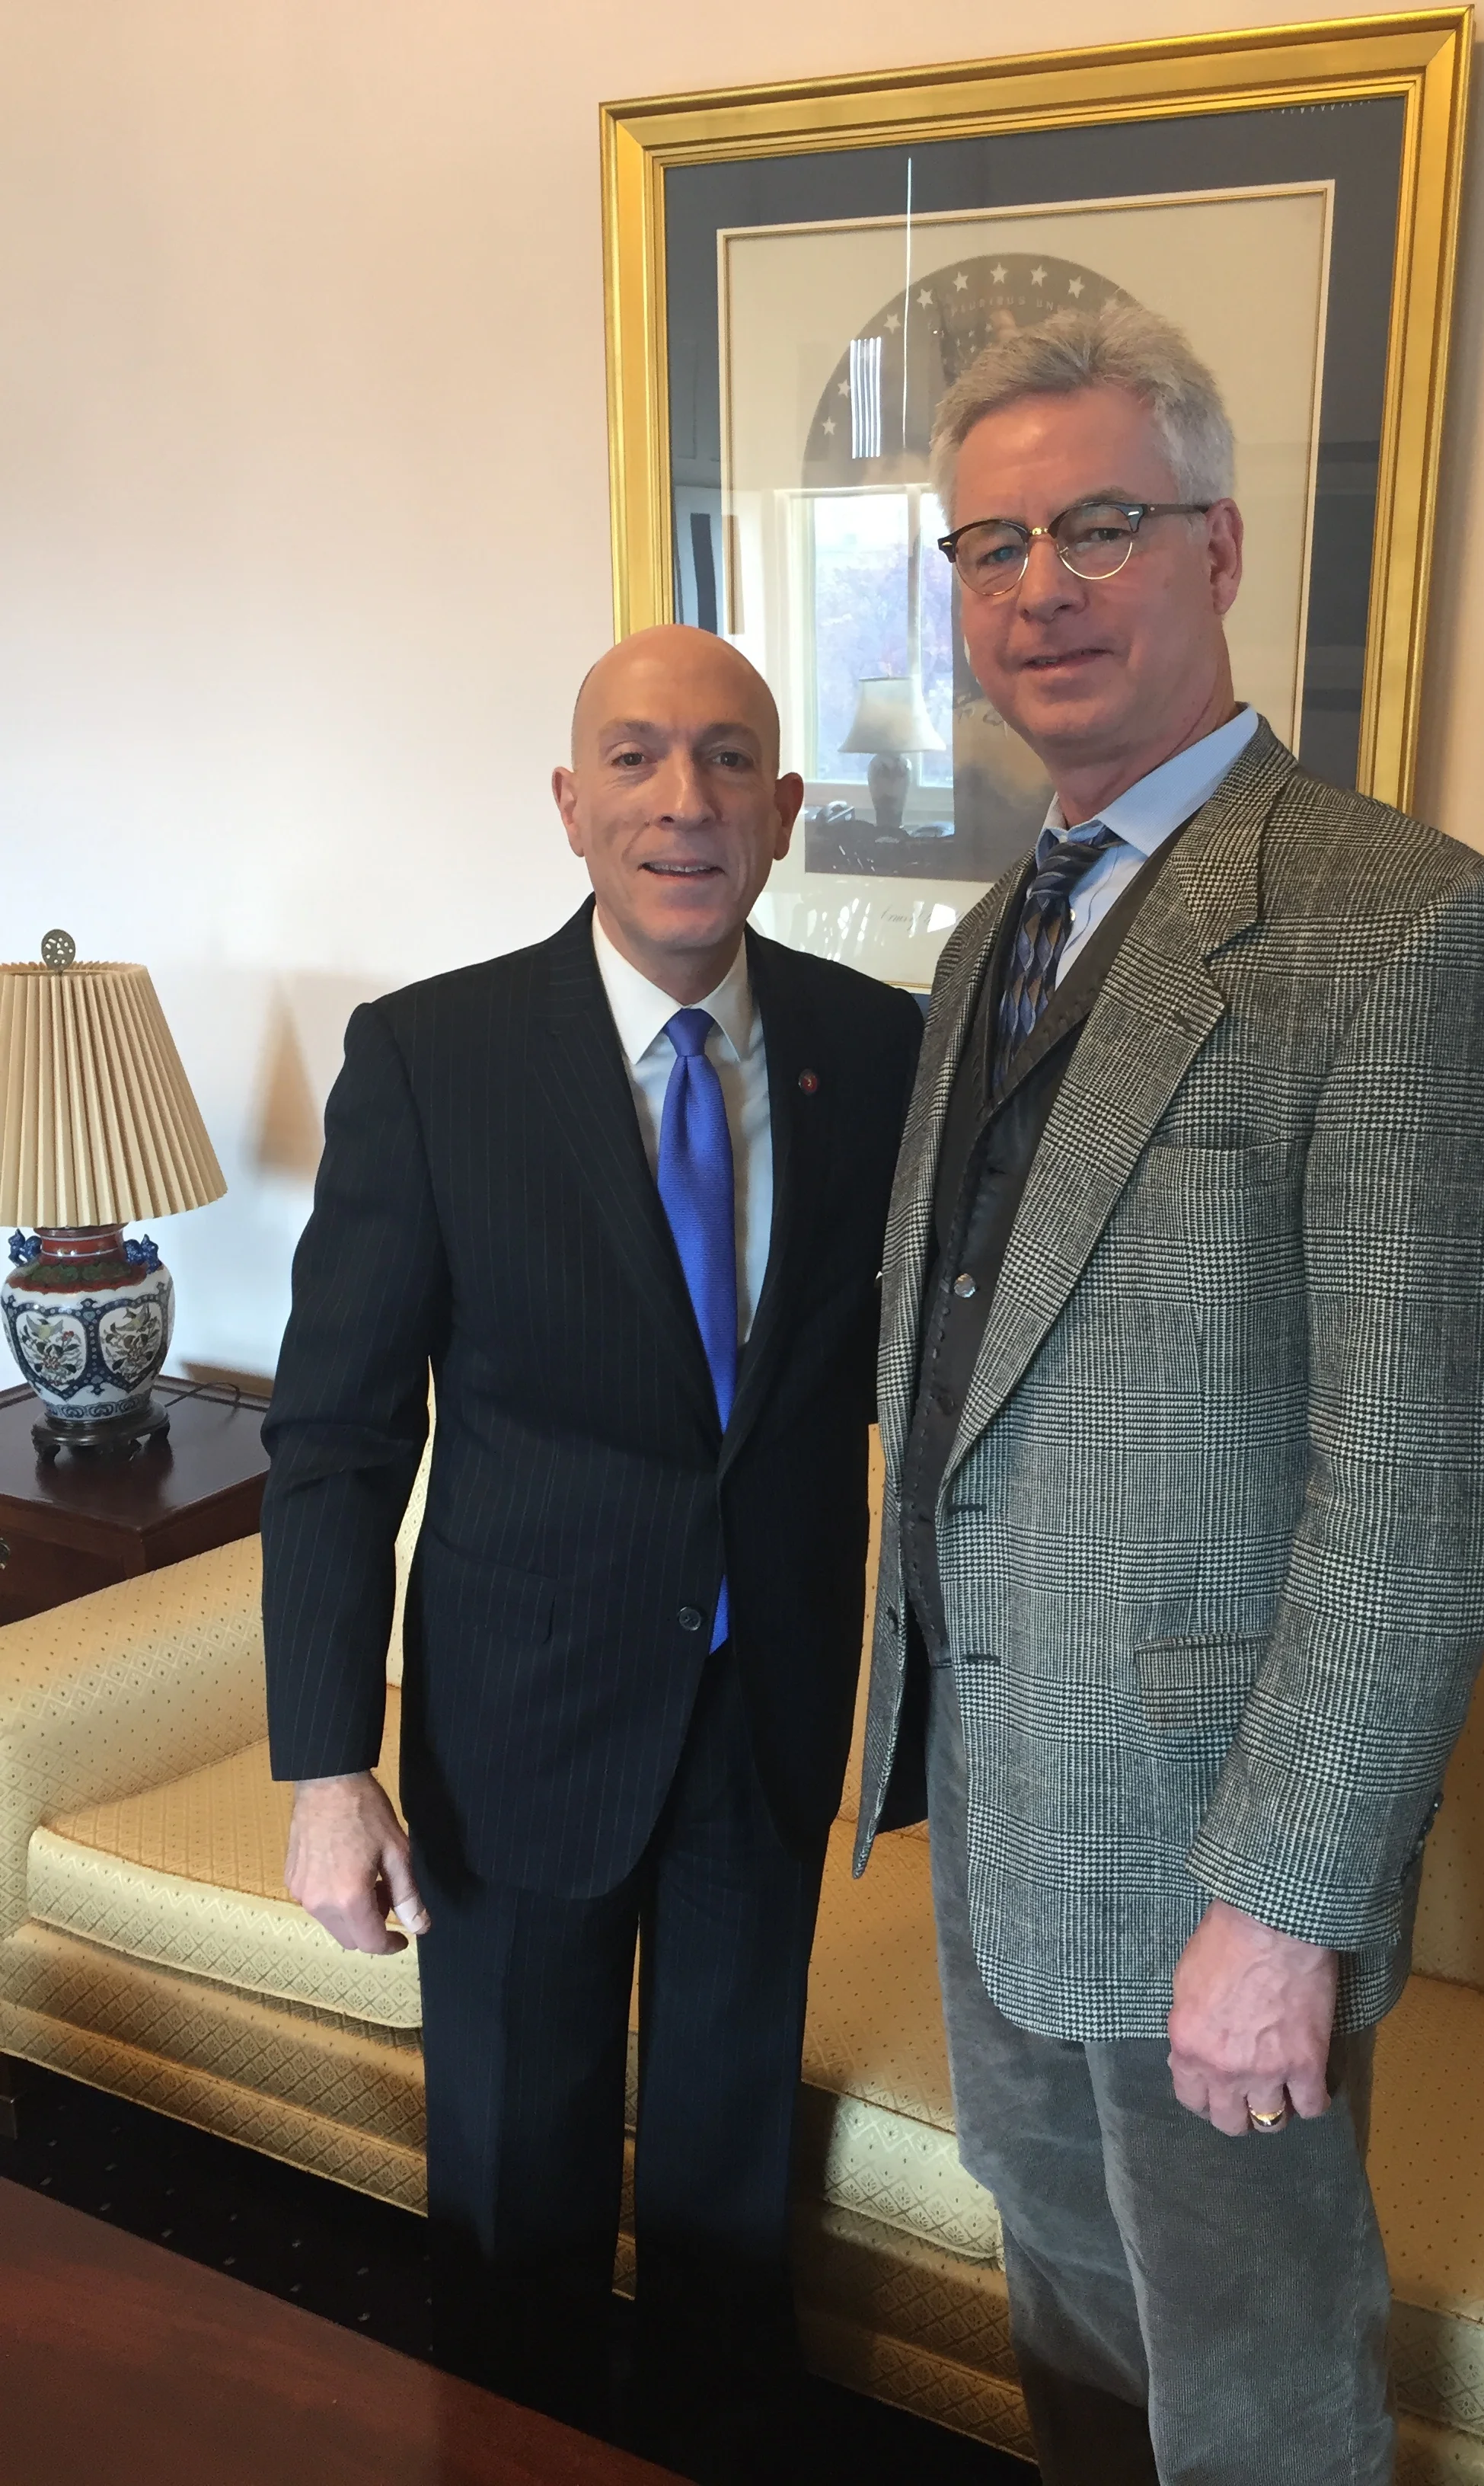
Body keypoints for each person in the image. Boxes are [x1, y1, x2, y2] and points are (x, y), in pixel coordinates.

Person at [854, 303, 1484, 2486]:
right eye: (990, 547)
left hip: (1213, 1862)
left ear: (1221, 550)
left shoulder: (1410, 931)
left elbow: (1424, 1485)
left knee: (1251, 2389)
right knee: (1072, 2337)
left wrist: (1282, 1904)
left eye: (1097, 526)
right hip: (1005, 1804)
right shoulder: (1005, 930)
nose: (1039, 588)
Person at [263, 626, 922, 2473]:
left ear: (785, 813)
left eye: (726, 762)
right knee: (513, 2195)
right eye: (635, 758)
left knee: (726, 2206)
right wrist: (329, 1764)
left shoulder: (881, 1053)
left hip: (768, 1713)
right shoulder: (429, 1060)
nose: (683, 801)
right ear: (571, 805)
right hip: (520, 1726)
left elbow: (921, 1381)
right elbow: (332, 1437)